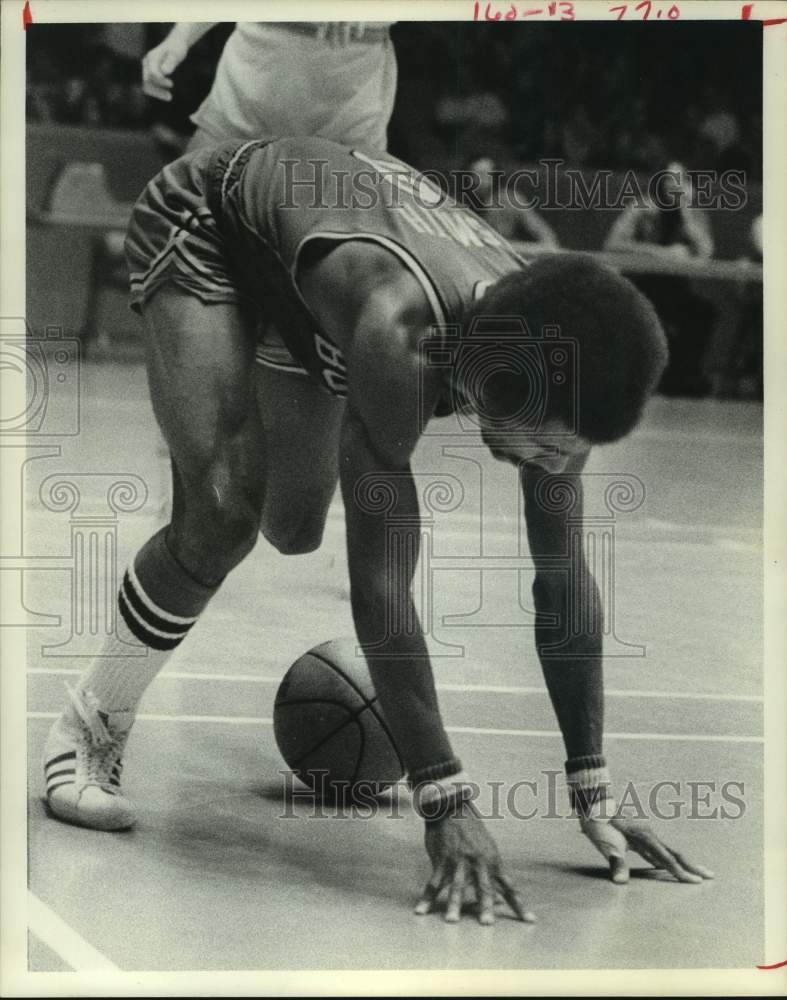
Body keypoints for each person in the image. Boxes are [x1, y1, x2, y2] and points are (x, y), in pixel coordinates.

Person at [43, 137, 713, 924]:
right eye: (539, 442)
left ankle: (252, 357)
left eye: (566, 452)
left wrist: (592, 784)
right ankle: (89, 724)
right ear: (485, 376)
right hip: (213, 222)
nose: (545, 463)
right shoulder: (404, 334)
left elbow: (561, 582)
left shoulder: (556, 359)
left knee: (291, 530)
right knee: (224, 515)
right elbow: (383, 587)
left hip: (316, 280)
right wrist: (443, 796)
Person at [142, 22, 397, 153]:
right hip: (247, 86)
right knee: (187, 227)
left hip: (347, 104)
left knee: (344, 242)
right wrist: (180, 37)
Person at [604, 160, 716, 396]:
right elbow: (612, 244)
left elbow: (706, 252)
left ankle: (682, 377)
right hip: (641, 284)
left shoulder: (693, 214)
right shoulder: (642, 207)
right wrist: (658, 252)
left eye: (680, 180)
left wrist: (686, 210)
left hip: (675, 287)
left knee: (704, 315)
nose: (674, 185)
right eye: (669, 179)